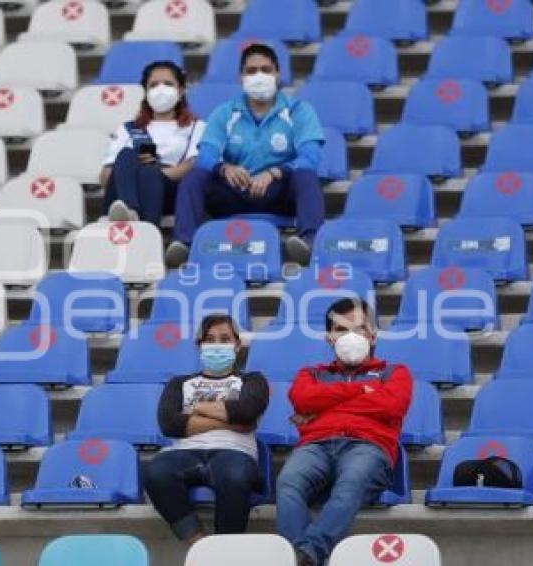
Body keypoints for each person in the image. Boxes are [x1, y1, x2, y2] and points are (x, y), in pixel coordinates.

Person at [276, 298, 413, 566]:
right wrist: (362, 391)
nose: (351, 336)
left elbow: (391, 405)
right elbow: (302, 400)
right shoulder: (311, 373)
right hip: (315, 445)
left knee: (351, 483)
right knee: (287, 483)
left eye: (359, 328)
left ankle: (305, 555)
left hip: (368, 446)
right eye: (341, 329)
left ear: (373, 335)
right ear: (329, 337)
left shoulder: (395, 372)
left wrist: (326, 403)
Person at [165, 43, 326, 267]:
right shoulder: (225, 112)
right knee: (195, 176)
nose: (259, 76)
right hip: (236, 191)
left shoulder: (299, 110)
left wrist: (274, 173)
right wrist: (224, 168)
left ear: (278, 75)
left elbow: (310, 156)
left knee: (306, 175)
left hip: (279, 193)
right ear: (241, 77)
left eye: (266, 70)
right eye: (251, 71)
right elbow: (205, 155)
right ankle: (185, 244)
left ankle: (309, 241)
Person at [144, 314, 269, 544]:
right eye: (209, 340)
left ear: (237, 345)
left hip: (234, 453)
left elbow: (247, 411)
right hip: (184, 454)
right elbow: (169, 424)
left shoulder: (253, 380)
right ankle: (200, 545)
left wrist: (197, 408)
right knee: (155, 472)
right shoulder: (178, 383)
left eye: (224, 339)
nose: (217, 345)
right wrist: (232, 420)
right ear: (199, 346)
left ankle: (224, 550)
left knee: (235, 476)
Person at [101, 61, 206, 227]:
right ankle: (130, 210)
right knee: (128, 154)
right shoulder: (128, 128)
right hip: (125, 191)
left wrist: (153, 171)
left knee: (148, 174)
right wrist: (130, 171)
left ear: (180, 91)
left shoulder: (196, 127)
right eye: (154, 85)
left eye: (168, 84)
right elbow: (106, 175)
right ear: (146, 92)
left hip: (170, 192)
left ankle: (143, 224)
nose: (161, 89)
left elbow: (192, 164)